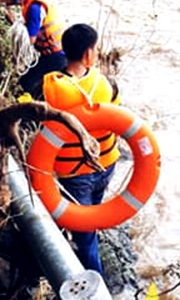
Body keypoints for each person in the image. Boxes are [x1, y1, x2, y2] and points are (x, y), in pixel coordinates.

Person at [41, 23, 119, 277]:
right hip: (106, 165)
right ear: (88, 55)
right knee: (90, 220)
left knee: (84, 229)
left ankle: (90, 260)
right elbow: (120, 121)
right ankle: (98, 283)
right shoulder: (104, 85)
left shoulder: (53, 90)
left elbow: (47, 129)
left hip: (74, 173)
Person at [0, 0, 66, 97]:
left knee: (25, 83)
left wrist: (13, 21)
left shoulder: (35, 8)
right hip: (61, 50)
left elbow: (30, 40)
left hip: (56, 57)